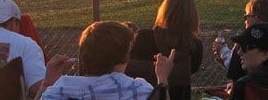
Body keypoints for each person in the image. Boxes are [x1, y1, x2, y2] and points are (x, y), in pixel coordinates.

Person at [36, 20, 174, 100]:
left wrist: (47, 83)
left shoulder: (58, 92)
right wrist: (162, 79)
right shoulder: (139, 90)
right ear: (126, 56)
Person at [129, 0, 203, 100]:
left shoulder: (143, 37)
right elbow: (192, 70)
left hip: (143, 95)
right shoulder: (194, 45)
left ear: (164, 11)